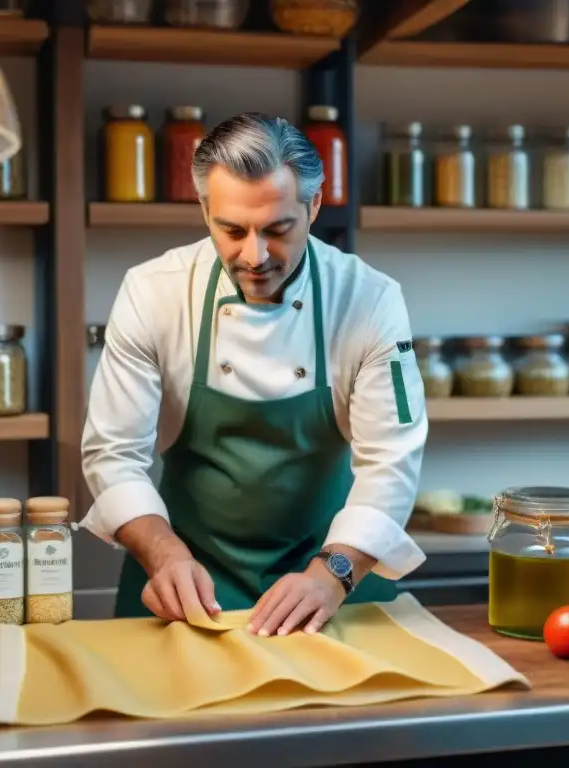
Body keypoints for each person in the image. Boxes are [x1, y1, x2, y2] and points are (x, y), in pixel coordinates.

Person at [80, 112, 428, 637]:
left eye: (277, 229)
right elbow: (113, 453)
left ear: (313, 205)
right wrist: (163, 554)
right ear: (204, 209)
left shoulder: (369, 299)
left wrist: (333, 573)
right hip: (188, 580)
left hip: (332, 572)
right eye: (232, 230)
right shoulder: (153, 293)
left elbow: (393, 460)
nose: (255, 255)